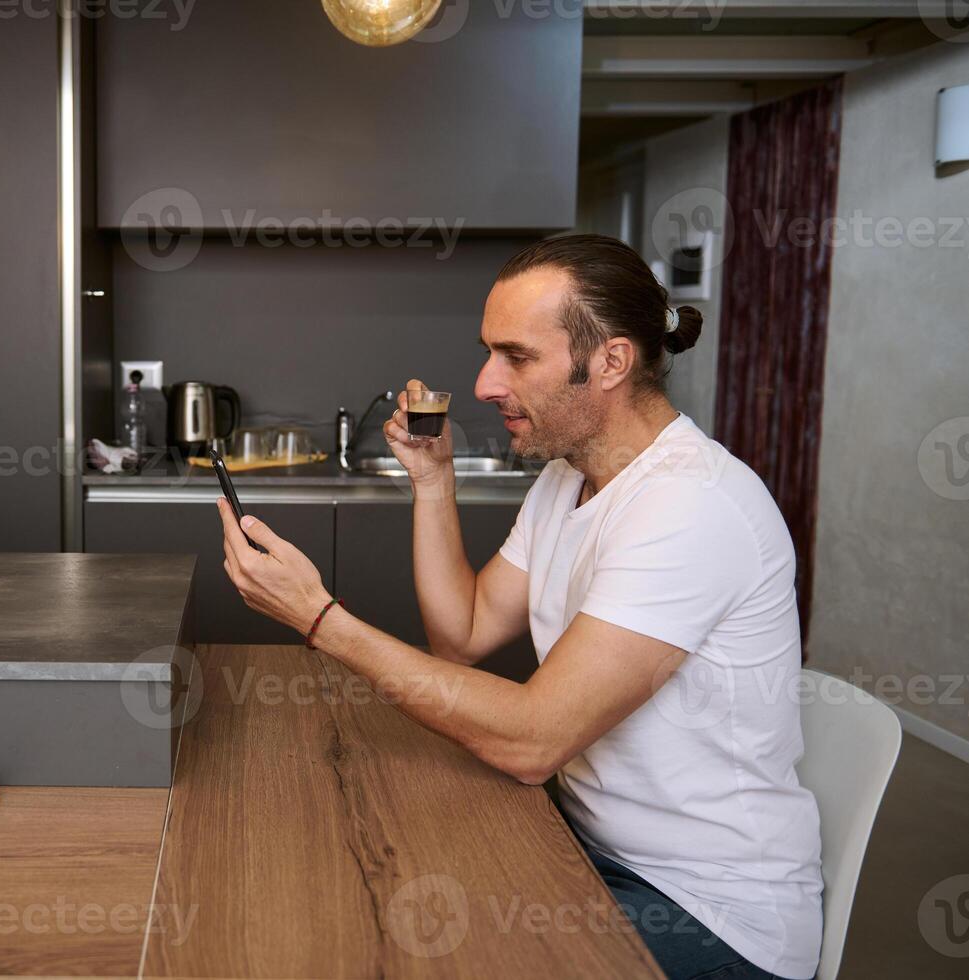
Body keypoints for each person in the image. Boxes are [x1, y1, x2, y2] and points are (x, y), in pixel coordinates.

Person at [215, 234, 823, 979]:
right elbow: (462, 636)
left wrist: (318, 619)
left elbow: (532, 743)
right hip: (589, 846)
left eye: (516, 357)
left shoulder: (687, 506)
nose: (483, 384)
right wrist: (433, 484)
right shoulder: (566, 481)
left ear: (610, 362)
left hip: (709, 912)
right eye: (487, 353)